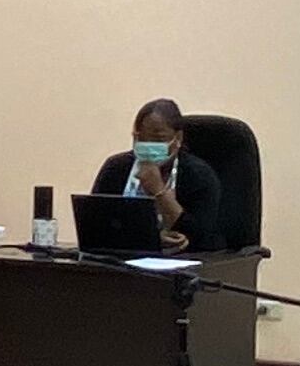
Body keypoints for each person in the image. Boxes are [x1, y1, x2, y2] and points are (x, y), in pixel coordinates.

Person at [90, 98, 224, 253]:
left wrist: (159, 191)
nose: (148, 145)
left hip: (182, 261)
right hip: (121, 258)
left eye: (158, 139)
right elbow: (95, 228)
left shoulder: (199, 175)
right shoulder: (115, 168)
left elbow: (201, 238)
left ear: (178, 138)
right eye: (141, 138)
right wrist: (150, 239)